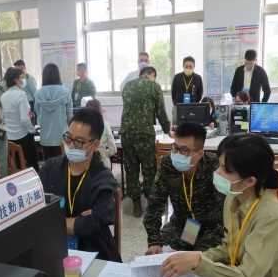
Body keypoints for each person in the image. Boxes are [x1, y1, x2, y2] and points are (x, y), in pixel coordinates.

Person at [161, 134, 278, 277]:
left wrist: (199, 262)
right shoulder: (233, 197)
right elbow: (228, 247)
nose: (217, 172)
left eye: (225, 169)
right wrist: (194, 258)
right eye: (219, 165)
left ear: (250, 181)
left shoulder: (270, 217)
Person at [40, 108, 121, 261]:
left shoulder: (102, 178)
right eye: (68, 138)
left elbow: (96, 223)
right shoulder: (50, 168)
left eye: (79, 142)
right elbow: (35, 212)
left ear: (95, 144)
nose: (71, 145)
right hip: (54, 247)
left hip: (93, 250)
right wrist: (77, 223)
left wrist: (55, 223)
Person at [144, 123, 224, 254]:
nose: (177, 154)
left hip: (211, 228)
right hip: (183, 225)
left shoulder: (214, 166)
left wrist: (198, 252)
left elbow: (225, 211)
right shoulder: (168, 164)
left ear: (199, 153)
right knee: (160, 259)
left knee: (198, 266)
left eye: (184, 150)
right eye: (175, 147)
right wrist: (154, 241)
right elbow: (155, 203)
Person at [121, 66, 171, 217]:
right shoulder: (154, 86)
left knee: (131, 169)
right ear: (151, 75)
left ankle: (136, 205)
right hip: (145, 134)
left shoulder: (128, 86)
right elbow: (160, 111)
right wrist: (168, 129)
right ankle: (151, 203)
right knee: (149, 169)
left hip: (127, 134)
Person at [1, 67, 38, 172]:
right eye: (22, 77)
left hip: (9, 138)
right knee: (32, 165)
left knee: (15, 166)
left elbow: (2, 118)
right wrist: (33, 130)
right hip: (22, 138)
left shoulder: (3, 96)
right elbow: (24, 120)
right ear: (16, 80)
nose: (23, 80)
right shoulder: (21, 95)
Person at [34, 63, 73, 160]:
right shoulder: (65, 92)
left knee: (48, 163)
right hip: (62, 136)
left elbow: (37, 112)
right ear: (58, 75)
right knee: (63, 164)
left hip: (45, 136)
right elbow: (70, 116)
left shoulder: (38, 93)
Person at [85, 99, 117, 168]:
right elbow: (113, 149)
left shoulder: (82, 126)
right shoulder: (105, 125)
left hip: (86, 164)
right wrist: (103, 154)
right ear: (99, 110)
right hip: (103, 164)